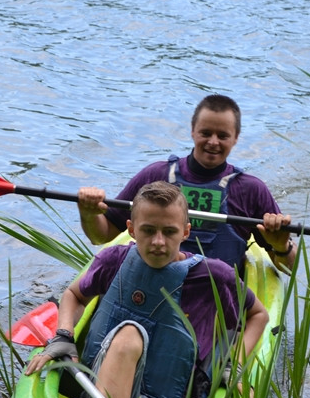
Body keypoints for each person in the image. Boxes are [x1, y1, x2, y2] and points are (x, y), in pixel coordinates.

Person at [26, 181, 269, 398]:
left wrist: (234, 365)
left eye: (169, 231)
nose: (158, 242)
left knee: (131, 334)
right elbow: (74, 294)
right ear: (131, 229)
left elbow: (258, 315)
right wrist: (64, 335)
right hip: (94, 391)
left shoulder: (213, 275)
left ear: (186, 231)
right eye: (148, 230)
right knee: (129, 334)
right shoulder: (113, 260)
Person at [76, 94, 297, 272]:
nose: (213, 142)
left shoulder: (251, 190)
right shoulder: (155, 176)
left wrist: (281, 247)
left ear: (236, 137)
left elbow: (290, 268)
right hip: (150, 285)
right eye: (205, 133)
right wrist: (88, 213)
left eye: (222, 135)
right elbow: (101, 236)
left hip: (215, 295)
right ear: (192, 131)